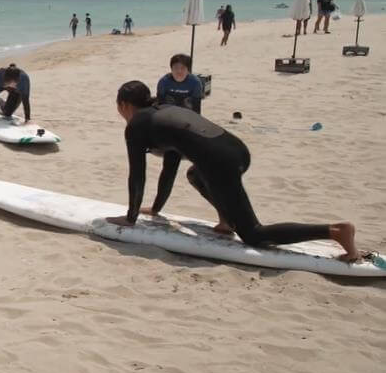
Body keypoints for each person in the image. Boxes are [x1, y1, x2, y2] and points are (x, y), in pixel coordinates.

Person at [105, 81, 359, 260]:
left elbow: (137, 174)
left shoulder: (137, 126)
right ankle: (226, 220)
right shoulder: (164, 111)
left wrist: (130, 218)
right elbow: (169, 167)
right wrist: (156, 209)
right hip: (237, 151)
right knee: (194, 174)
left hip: (219, 163)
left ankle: (335, 230)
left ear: (124, 105)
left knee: (253, 234)